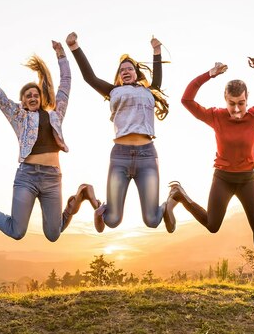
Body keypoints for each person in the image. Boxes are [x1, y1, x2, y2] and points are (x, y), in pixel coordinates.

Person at [166, 57, 254, 289]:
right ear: (225, 100)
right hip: (223, 178)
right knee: (213, 225)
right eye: (232, 103)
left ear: (246, 100)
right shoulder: (216, 116)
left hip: (247, 179)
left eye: (241, 103)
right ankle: (180, 195)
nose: (236, 109)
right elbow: (186, 99)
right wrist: (209, 74)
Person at [0, 40, 99, 241]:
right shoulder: (18, 115)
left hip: (52, 178)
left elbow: (66, 83)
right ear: (23, 101)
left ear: (41, 98)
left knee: (53, 234)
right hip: (27, 177)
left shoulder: (55, 114)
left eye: (36, 95)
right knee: (17, 231)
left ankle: (80, 195)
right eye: (28, 96)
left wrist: (61, 56)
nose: (33, 98)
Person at [65, 32, 174, 233]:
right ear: (118, 75)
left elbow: (157, 76)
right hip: (120, 157)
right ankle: (92, 198)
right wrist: (74, 47)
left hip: (147, 156)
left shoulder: (149, 90)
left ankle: (171, 201)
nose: (125, 71)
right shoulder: (113, 91)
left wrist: (157, 51)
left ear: (136, 73)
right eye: (122, 70)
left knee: (152, 221)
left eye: (129, 69)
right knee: (112, 220)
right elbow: (89, 77)